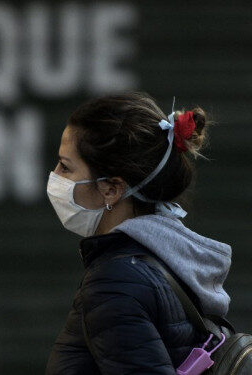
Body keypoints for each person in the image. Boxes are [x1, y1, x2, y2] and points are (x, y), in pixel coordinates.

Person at [43, 92, 232, 374]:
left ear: (111, 188)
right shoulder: (169, 257)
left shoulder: (115, 282)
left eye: (66, 167)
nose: (55, 175)